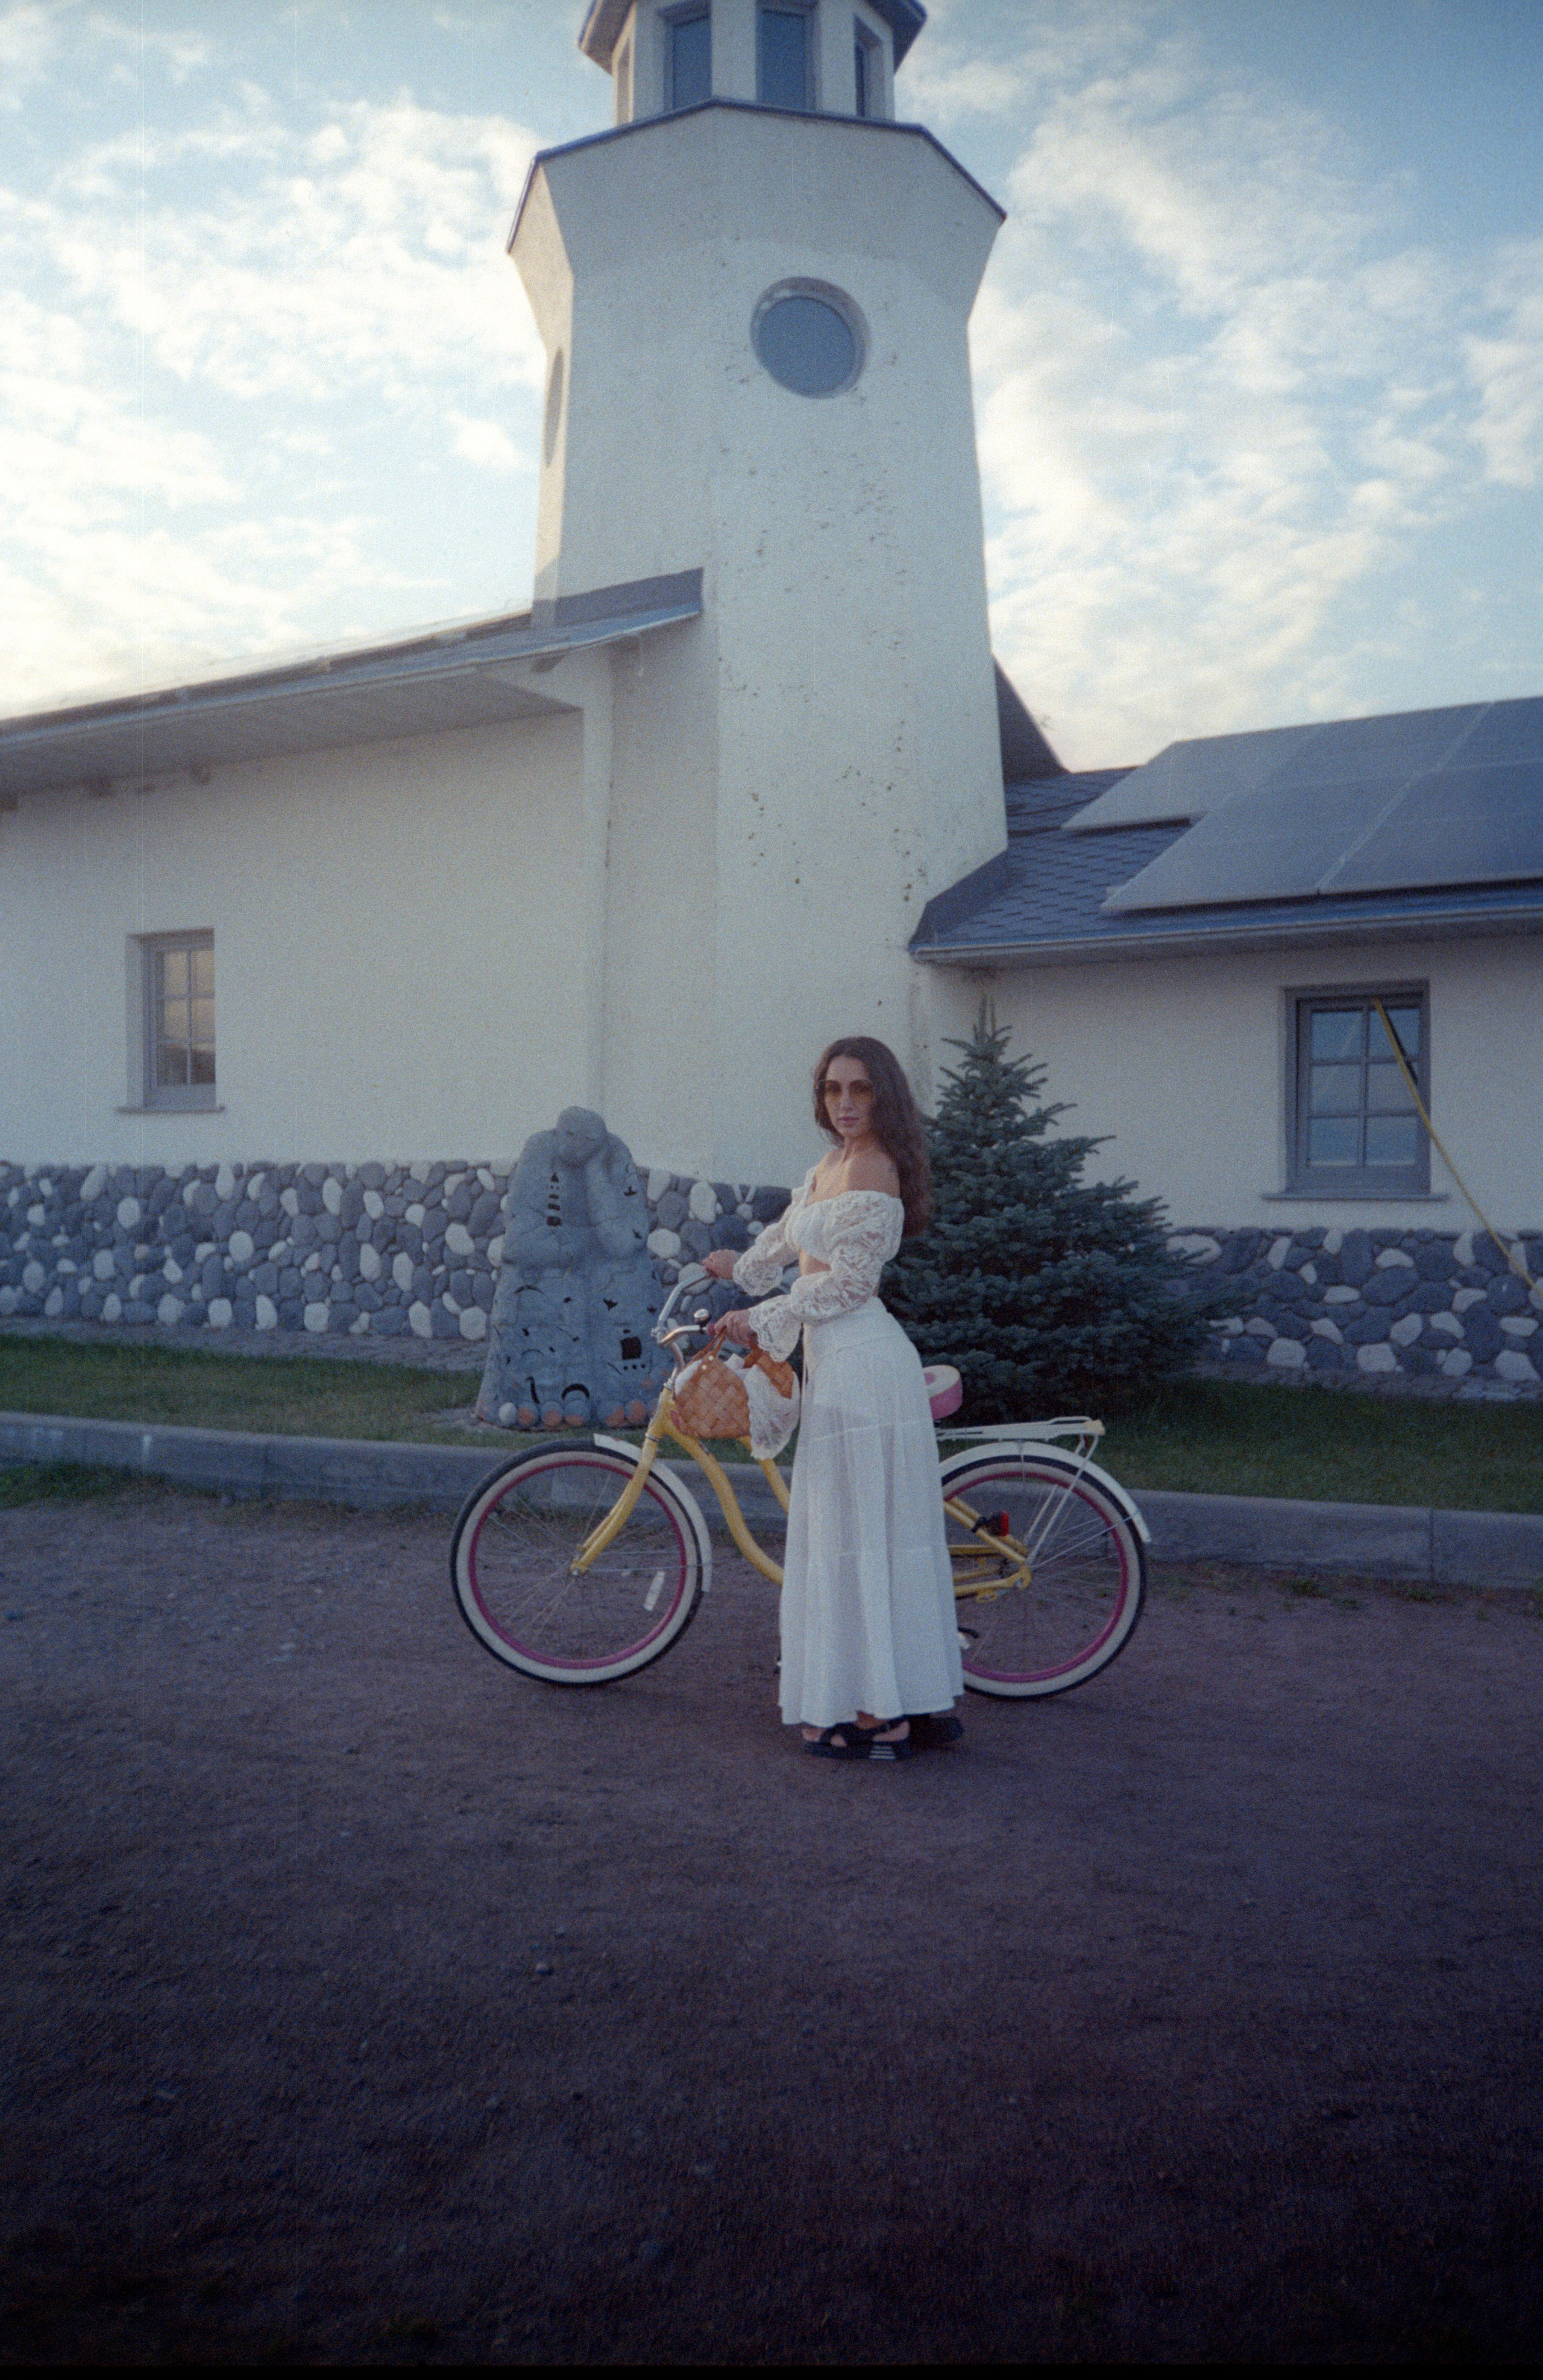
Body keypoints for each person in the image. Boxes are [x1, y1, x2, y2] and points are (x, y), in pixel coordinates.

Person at [702, 1037, 964, 1761]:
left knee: (858, 1538)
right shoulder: (827, 1167)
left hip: (862, 1362)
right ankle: (904, 1695)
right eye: (832, 1090)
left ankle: (883, 1715)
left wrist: (761, 1315)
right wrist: (737, 1271)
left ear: (883, 1096)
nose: (844, 1104)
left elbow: (850, 1284)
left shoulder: (876, 1168)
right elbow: (786, 1242)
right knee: (859, 1535)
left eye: (860, 1090)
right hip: (837, 1361)